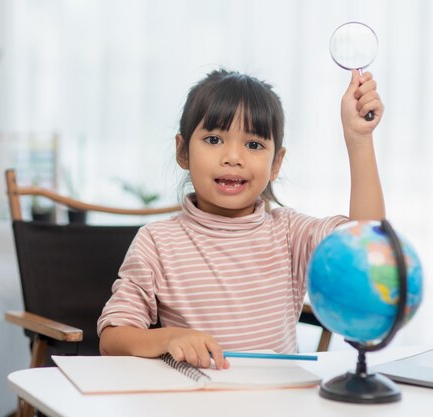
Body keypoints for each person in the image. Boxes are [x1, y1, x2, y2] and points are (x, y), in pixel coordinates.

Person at [97, 68, 385, 370]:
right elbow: (113, 338)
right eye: (213, 139)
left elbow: (367, 245)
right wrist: (169, 338)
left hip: (278, 401)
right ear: (182, 151)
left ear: (276, 163)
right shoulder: (157, 242)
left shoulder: (289, 233)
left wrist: (359, 139)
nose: (233, 157)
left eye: (253, 145)